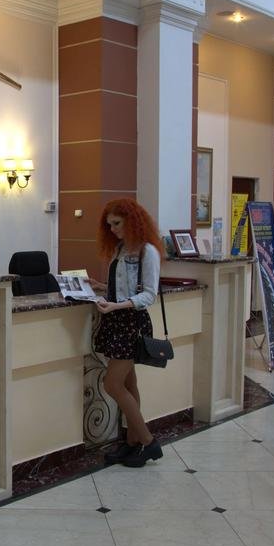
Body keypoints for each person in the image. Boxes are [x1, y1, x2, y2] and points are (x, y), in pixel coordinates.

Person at [89, 198, 165, 468]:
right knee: (129, 385)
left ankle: (148, 442)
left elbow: (149, 295)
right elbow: (123, 287)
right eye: (109, 225)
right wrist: (99, 286)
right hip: (116, 321)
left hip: (131, 322)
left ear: (132, 221)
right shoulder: (120, 249)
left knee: (112, 384)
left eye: (117, 223)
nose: (112, 229)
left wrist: (117, 306)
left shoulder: (148, 252)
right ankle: (132, 442)